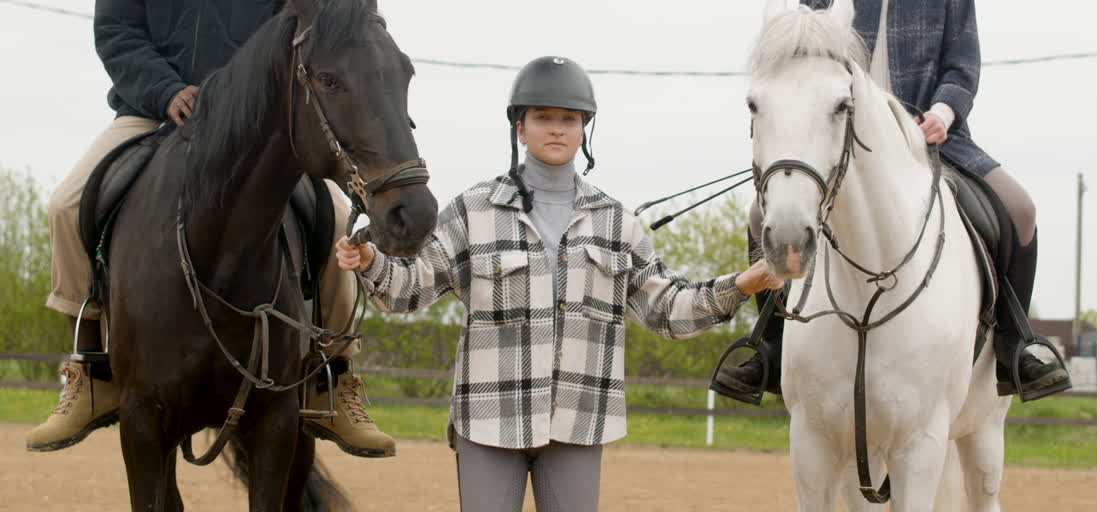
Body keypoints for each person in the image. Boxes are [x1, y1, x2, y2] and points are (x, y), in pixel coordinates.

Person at [25, 0, 395, 458]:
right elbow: (116, 30)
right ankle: (92, 372)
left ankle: (334, 379)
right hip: (154, 114)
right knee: (66, 205)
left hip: (255, 135)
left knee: (333, 220)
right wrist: (166, 91)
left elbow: (305, 38)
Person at [335, 56, 783, 511]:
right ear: (520, 128)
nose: (556, 129)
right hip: (490, 420)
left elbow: (666, 309)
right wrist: (371, 262)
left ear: (584, 128)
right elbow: (411, 285)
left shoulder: (615, 222)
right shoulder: (474, 210)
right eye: (543, 118)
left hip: (580, 422)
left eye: (568, 119)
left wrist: (744, 283)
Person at [715, 0, 1072, 403]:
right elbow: (799, 64)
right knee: (762, 211)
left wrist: (944, 111)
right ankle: (771, 344)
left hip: (932, 139)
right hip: (837, 144)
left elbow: (963, 63)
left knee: (1020, 208)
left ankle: (1013, 345)